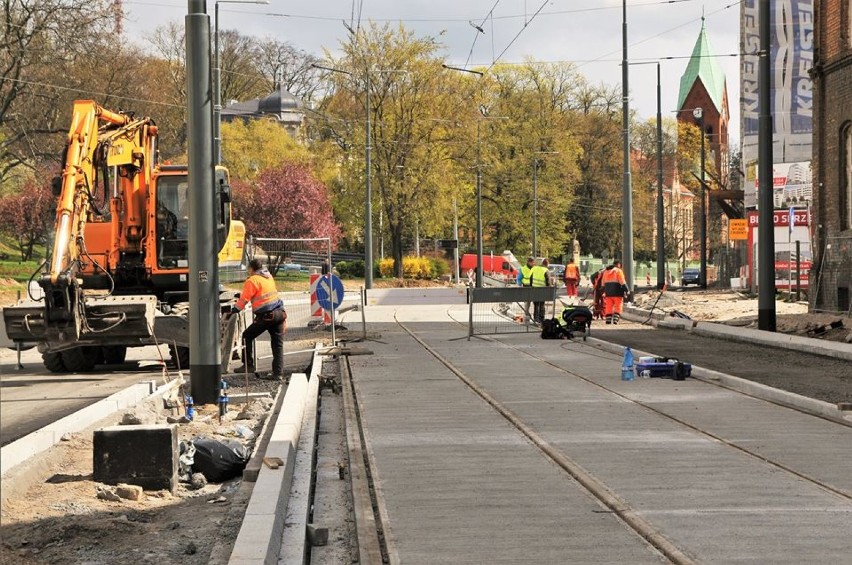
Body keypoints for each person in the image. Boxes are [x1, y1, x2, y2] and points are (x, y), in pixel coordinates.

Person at [231, 258, 287, 380]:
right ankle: (278, 373)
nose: (247, 270)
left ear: (251, 268)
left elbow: (244, 300)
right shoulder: (268, 277)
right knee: (277, 345)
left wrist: (234, 310)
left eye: (248, 268)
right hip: (279, 313)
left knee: (247, 335)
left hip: (267, 316)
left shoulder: (252, 281)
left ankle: (248, 365)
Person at [601, 260, 630, 325]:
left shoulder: (606, 271)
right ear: (619, 264)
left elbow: (603, 283)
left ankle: (608, 320)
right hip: (618, 292)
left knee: (608, 306)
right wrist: (627, 290)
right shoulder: (618, 271)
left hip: (608, 292)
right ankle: (615, 320)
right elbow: (622, 282)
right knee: (618, 306)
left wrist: (603, 291)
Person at [531, 258, 550, 323]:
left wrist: (531, 286)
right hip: (542, 290)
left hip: (534, 289)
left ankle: (535, 318)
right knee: (541, 304)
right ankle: (541, 319)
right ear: (547, 264)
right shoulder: (546, 270)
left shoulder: (535, 268)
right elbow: (548, 281)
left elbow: (531, 278)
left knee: (536, 304)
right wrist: (549, 289)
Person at [519, 257, 535, 322]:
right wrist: (519, 284)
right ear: (529, 262)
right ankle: (526, 314)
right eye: (533, 262)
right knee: (527, 302)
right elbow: (519, 278)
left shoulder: (534, 268)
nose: (534, 263)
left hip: (533, 286)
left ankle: (531, 315)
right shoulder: (523, 268)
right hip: (526, 286)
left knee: (534, 302)